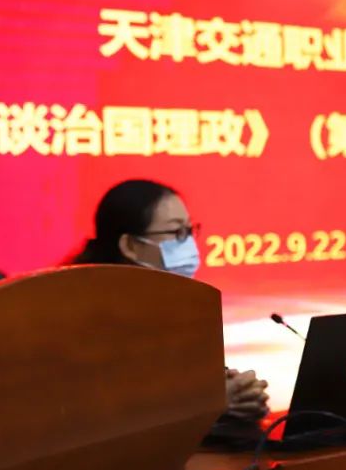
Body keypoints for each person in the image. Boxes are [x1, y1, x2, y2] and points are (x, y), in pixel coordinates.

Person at [70, 179, 270, 421]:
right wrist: (209, 400)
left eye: (190, 230)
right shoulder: (88, 313)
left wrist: (239, 393)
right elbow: (115, 409)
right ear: (130, 245)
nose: (188, 243)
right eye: (177, 233)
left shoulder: (181, 305)